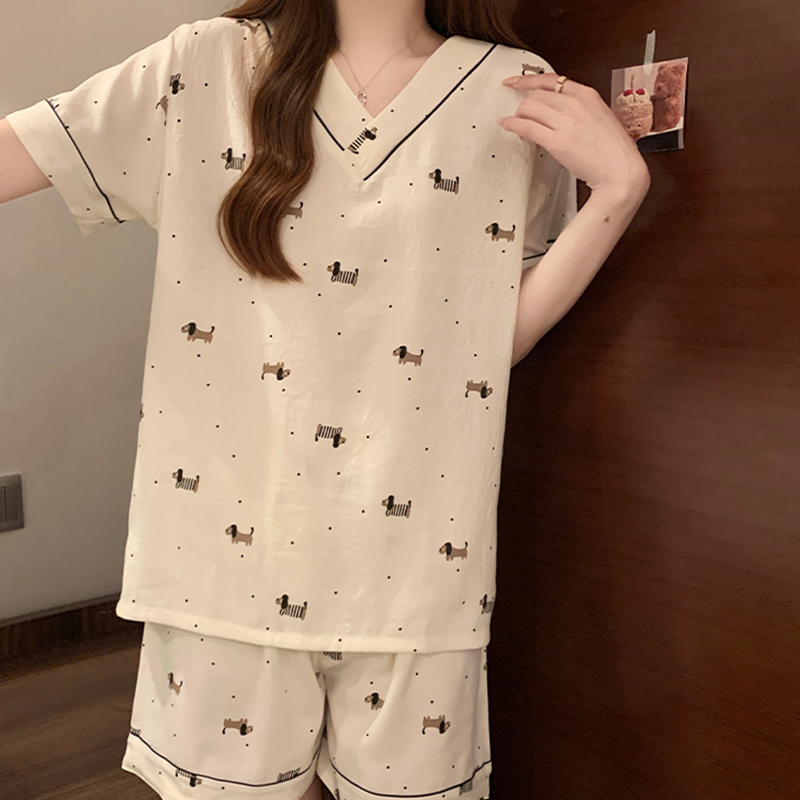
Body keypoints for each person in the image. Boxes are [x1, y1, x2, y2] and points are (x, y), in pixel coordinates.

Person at [0, 1, 649, 798]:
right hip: (224, 573)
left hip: (416, 572)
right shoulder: (206, 64)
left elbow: (483, 344)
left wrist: (618, 190)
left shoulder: (513, 91)